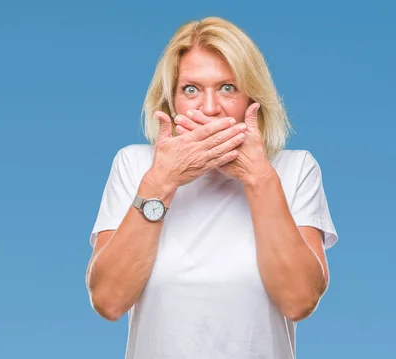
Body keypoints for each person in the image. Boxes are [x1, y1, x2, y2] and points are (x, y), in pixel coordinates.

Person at [85, 16, 338, 359]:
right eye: (191, 89)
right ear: (170, 102)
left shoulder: (294, 169)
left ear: (253, 99)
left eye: (227, 88)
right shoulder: (135, 165)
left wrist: (259, 179)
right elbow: (109, 301)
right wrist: (163, 181)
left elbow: (299, 301)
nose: (209, 108)